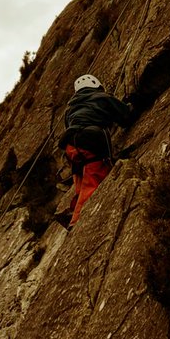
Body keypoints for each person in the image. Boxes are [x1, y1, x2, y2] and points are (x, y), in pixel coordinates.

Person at [58, 74, 131, 227]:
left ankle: (74, 208)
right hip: (90, 139)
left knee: (80, 177)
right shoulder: (102, 97)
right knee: (94, 176)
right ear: (96, 85)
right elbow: (125, 116)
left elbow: (69, 125)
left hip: (71, 145)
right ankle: (77, 220)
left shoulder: (70, 109)